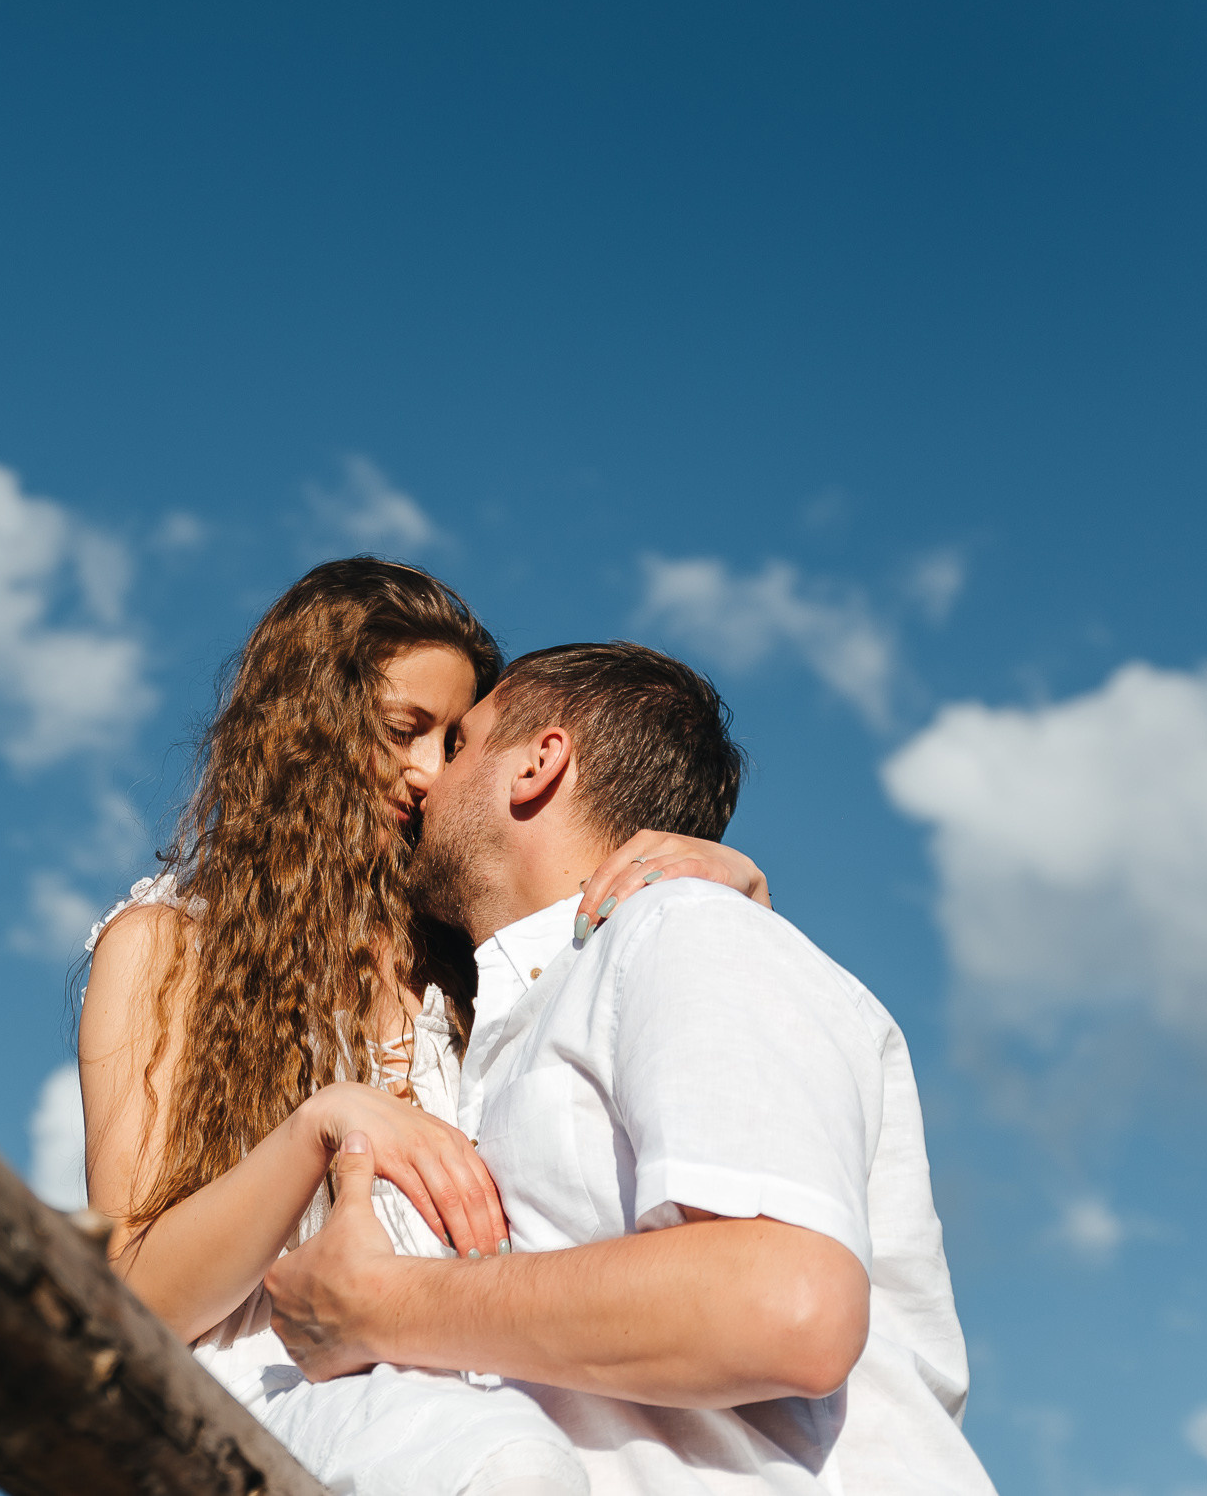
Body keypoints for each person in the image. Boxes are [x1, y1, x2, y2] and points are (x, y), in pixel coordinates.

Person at [78, 564, 773, 1496]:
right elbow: (132, 1291)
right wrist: (323, 1123)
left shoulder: (472, 954)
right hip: (265, 1422)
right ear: (303, 727)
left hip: (503, 1412)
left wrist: (728, 889)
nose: (430, 771)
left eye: (453, 739)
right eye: (404, 730)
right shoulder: (171, 941)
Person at [264, 642, 997, 1496]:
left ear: (541, 762)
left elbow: (789, 1304)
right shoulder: (523, 1024)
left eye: (459, 743)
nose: (425, 777)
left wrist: (381, 1304)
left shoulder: (684, 928)